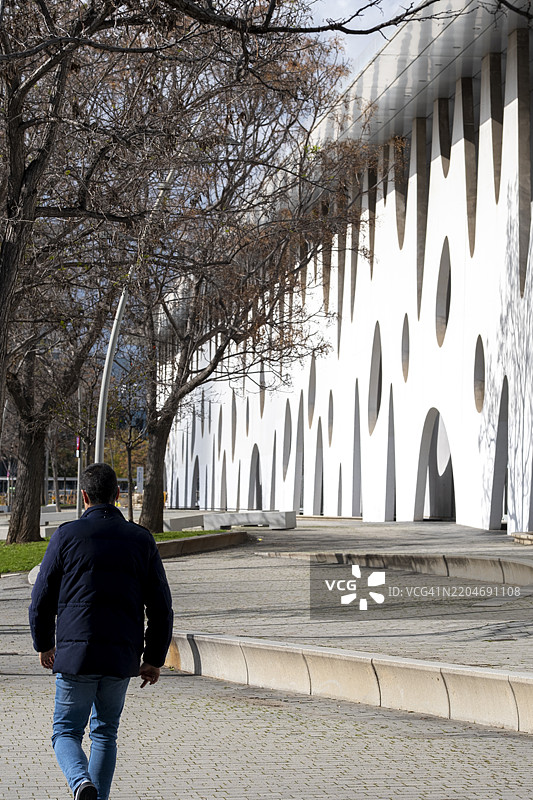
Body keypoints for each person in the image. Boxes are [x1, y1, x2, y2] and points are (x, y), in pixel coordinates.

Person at [29, 463, 174, 800]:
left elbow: (41, 598)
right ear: (118, 494)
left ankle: (81, 783)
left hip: (75, 655)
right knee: (106, 733)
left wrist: (44, 644)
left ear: (83, 496)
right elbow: (161, 607)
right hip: (121, 654)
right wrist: (153, 659)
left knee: (66, 731)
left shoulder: (66, 536)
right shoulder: (141, 539)